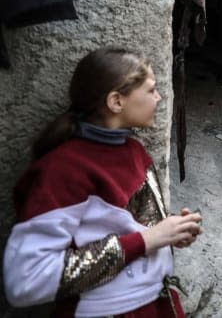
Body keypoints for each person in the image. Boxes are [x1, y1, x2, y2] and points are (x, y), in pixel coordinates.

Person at [3, 48, 202, 317]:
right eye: (151, 90)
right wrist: (148, 239)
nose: (159, 98)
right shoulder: (62, 171)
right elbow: (26, 281)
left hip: (154, 303)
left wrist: (171, 233)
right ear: (116, 101)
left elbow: (135, 229)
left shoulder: (134, 152)